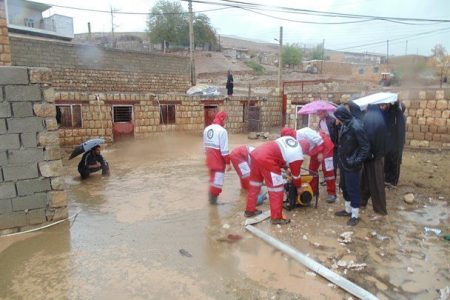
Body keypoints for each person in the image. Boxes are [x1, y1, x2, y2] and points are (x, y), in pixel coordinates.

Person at [244, 128, 304, 225]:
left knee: (255, 185)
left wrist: (286, 168)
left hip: (256, 154)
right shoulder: (298, 154)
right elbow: (296, 175)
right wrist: (299, 187)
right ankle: (276, 218)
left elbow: (279, 153)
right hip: (268, 160)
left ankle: (250, 211)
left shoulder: (287, 140)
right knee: (276, 189)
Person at [334, 105, 370, 226]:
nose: (336, 120)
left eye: (337, 118)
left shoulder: (356, 127)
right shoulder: (344, 125)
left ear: (341, 117)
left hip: (352, 163)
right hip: (344, 162)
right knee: (345, 186)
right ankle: (347, 209)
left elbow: (365, 147)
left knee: (353, 188)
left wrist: (355, 161)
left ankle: (355, 215)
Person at [361, 104, 388, 219]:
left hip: (373, 156)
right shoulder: (378, 115)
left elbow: (369, 137)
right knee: (366, 180)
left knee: (376, 183)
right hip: (375, 154)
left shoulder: (370, 117)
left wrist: (369, 153)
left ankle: (380, 211)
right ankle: (362, 201)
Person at [296, 127, 337, 203]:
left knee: (328, 171)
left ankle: (332, 193)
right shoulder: (294, 141)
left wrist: (320, 152)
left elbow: (320, 141)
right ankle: (313, 190)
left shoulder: (305, 132)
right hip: (314, 149)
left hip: (325, 146)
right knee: (312, 169)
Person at [203, 111, 231, 204]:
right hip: (218, 161)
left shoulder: (207, 129)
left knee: (212, 180)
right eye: (225, 119)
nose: (225, 122)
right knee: (217, 182)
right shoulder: (222, 131)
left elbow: (205, 147)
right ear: (222, 118)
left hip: (209, 159)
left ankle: (210, 201)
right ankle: (213, 204)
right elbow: (224, 150)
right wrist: (228, 163)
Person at [384, 101, 406, 186]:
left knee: (395, 162)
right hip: (391, 144)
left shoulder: (398, 115)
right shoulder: (392, 114)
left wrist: (399, 145)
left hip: (396, 145)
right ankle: (388, 179)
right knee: (389, 161)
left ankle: (393, 181)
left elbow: (400, 132)